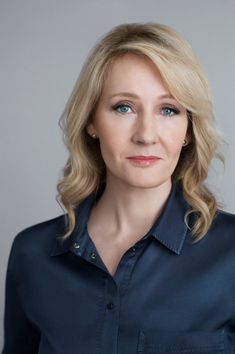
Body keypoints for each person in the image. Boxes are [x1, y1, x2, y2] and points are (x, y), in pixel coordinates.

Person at [2, 21, 235, 354]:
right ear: (92, 122)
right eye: (123, 107)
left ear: (188, 129)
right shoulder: (32, 255)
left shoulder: (230, 255)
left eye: (168, 110)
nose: (146, 134)